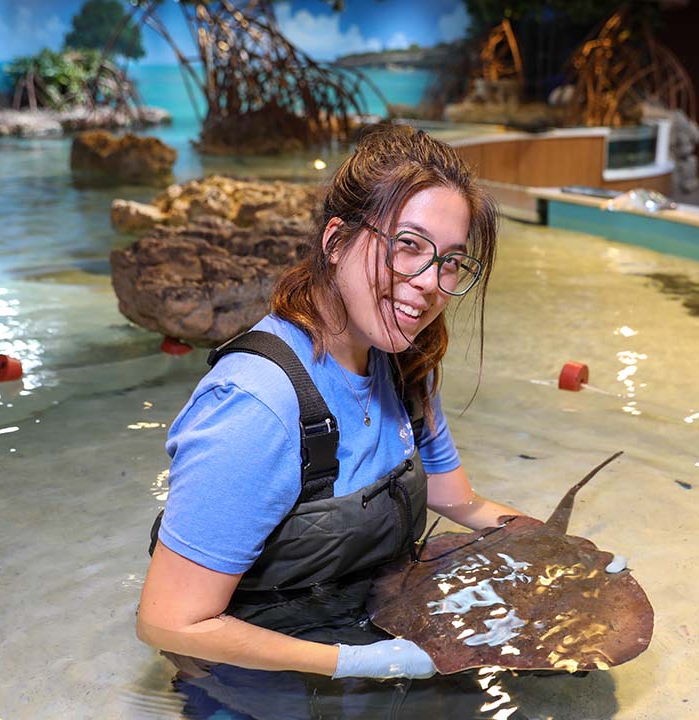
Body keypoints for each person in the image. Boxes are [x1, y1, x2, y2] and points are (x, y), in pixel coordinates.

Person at [137, 123, 528, 715]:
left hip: (363, 614)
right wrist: (357, 663)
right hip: (252, 672)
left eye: (450, 261)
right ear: (337, 240)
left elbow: (462, 502)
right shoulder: (258, 403)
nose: (429, 285)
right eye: (408, 245)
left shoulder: (403, 361)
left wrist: (551, 544)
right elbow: (168, 621)